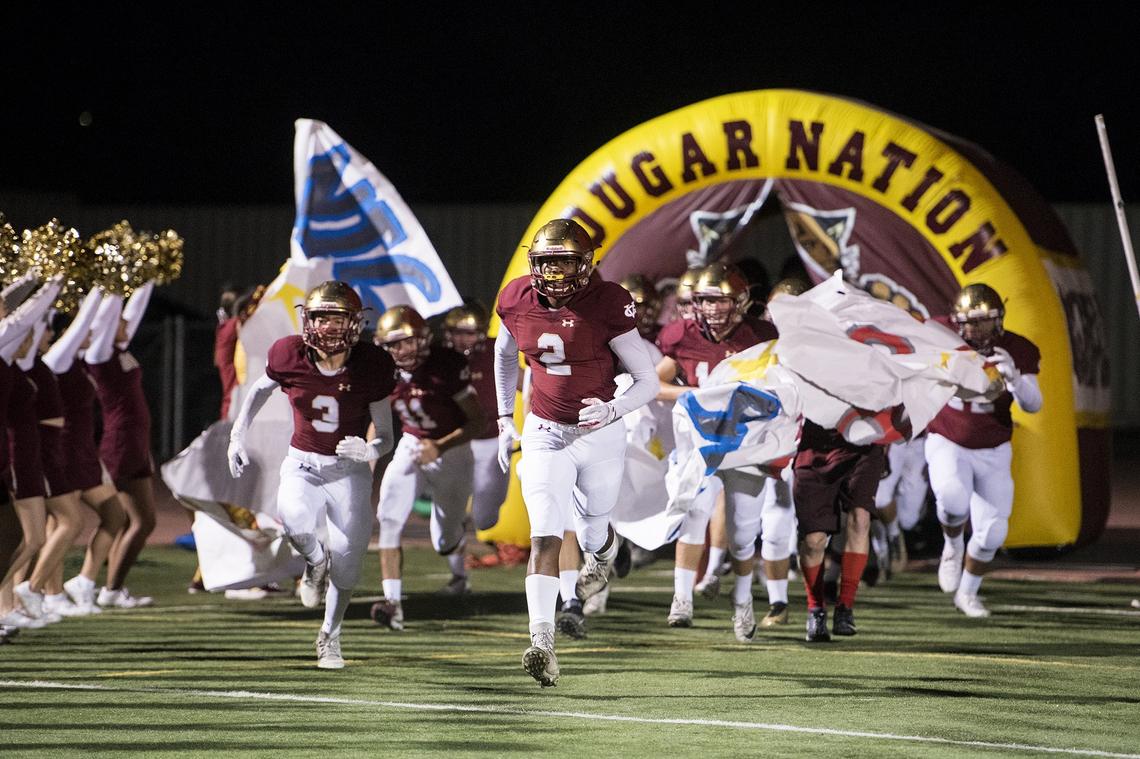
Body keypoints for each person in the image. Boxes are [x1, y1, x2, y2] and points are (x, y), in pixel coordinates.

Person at [494, 219, 657, 686]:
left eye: (567, 262)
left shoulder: (608, 302)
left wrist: (612, 409)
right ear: (534, 264)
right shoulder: (516, 297)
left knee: (591, 533)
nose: (558, 273)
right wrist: (507, 419)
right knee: (544, 533)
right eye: (549, 263)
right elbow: (505, 356)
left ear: (586, 265)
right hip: (545, 430)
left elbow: (646, 381)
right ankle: (542, 641)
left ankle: (605, 554)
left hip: (598, 433)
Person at [228, 281, 397, 668]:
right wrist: (237, 436)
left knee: (349, 561)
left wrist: (369, 449)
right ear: (308, 319)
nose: (329, 327)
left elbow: (386, 435)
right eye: (321, 317)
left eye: (338, 319)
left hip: (348, 472)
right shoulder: (289, 354)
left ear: (355, 324)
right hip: (303, 461)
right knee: (295, 522)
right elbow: (257, 391)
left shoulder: (372, 364)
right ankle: (313, 564)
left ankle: (329, 636)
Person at [655, 262, 782, 640]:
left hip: (745, 442)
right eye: (705, 300)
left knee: (743, 533)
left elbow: (782, 387)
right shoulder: (681, 335)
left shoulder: (762, 337)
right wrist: (697, 395)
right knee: (693, 509)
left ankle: (743, 601)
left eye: (719, 300)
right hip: (701, 440)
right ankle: (681, 599)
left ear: (740, 302)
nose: (711, 308)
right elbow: (656, 385)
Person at [926, 283, 1041, 618]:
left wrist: (1016, 380)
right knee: (953, 498)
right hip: (948, 438)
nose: (975, 329)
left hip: (993, 446)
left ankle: (968, 593)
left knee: (993, 531)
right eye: (969, 322)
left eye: (983, 321)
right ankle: (951, 546)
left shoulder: (1016, 348)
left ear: (998, 319)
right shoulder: (940, 337)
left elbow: (1033, 405)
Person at [371, 305, 485, 629]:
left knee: (444, 540)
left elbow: (478, 421)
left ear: (424, 339)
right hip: (412, 443)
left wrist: (441, 445)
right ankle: (393, 604)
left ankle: (460, 575)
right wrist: (369, 458)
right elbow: (377, 419)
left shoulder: (446, 365)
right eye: (395, 344)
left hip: (453, 450)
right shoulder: (384, 371)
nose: (402, 350)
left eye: (408, 342)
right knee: (389, 515)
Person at [84, 281, 157, 608]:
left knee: (137, 521)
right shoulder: (99, 353)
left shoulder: (118, 349)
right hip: (120, 442)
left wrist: (147, 277)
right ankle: (104, 587)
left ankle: (111, 589)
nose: (128, 323)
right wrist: (114, 281)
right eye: (120, 321)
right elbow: (115, 311)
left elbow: (133, 310)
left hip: (136, 442)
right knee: (136, 521)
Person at [793, 421, 887, 641]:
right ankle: (816, 609)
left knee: (861, 518)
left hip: (861, 441)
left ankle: (845, 606)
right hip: (813, 445)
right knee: (814, 540)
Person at [440, 301, 509, 534]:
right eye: (457, 332)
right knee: (449, 511)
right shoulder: (438, 356)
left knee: (484, 518)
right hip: (455, 438)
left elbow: (526, 383)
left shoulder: (494, 350)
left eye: (468, 333)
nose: (462, 339)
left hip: (490, 439)